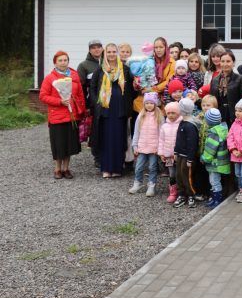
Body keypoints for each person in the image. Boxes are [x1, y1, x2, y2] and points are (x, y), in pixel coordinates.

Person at [40, 51, 87, 179]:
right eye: (60, 60)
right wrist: (59, 101)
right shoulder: (50, 78)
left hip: (72, 115)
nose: (63, 62)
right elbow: (43, 96)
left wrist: (81, 109)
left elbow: (80, 94)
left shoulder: (74, 75)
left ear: (68, 61)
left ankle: (66, 169)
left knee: (69, 144)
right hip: (57, 116)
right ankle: (57, 169)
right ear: (55, 62)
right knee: (59, 144)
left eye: (65, 60)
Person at [90, 43, 135, 178]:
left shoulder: (125, 70)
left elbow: (131, 90)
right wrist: (96, 103)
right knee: (106, 139)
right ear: (105, 53)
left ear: (117, 53)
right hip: (104, 110)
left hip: (120, 110)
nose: (111, 54)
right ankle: (106, 168)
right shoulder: (100, 70)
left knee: (118, 138)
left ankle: (117, 168)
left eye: (113, 51)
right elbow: (92, 88)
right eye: (108, 52)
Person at [129, 92, 162, 195]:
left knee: (152, 167)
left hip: (154, 147)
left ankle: (151, 185)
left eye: (151, 103)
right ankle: (137, 183)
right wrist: (135, 146)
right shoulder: (140, 116)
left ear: (155, 104)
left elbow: (162, 133)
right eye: (147, 103)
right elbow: (136, 132)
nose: (149, 105)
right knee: (139, 166)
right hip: (142, 146)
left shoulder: (159, 117)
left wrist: (160, 147)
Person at [174, 98, 201, 208]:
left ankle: (191, 195)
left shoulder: (190, 125)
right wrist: (176, 151)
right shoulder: (182, 122)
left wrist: (190, 158)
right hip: (180, 154)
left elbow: (192, 144)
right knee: (179, 175)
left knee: (187, 177)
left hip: (187, 157)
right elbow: (178, 139)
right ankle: (181, 194)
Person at [200, 108, 230, 208]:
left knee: (214, 181)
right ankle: (214, 198)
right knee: (215, 180)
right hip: (221, 161)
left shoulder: (213, 133)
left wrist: (204, 158)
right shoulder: (222, 129)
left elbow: (210, 149)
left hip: (214, 162)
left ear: (208, 121)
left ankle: (217, 200)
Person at [210, 51, 242, 127]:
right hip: (218, 115)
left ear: (233, 63)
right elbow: (212, 99)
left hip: (234, 115)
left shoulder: (240, 79)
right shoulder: (215, 80)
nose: (225, 64)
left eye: (228, 61)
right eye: (223, 61)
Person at [158, 102, 183, 203]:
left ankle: (182, 192)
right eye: (168, 113)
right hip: (168, 155)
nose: (171, 115)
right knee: (171, 174)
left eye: (173, 113)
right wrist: (161, 153)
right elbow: (161, 140)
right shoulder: (164, 126)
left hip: (179, 155)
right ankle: (173, 192)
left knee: (180, 174)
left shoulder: (181, 125)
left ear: (178, 113)